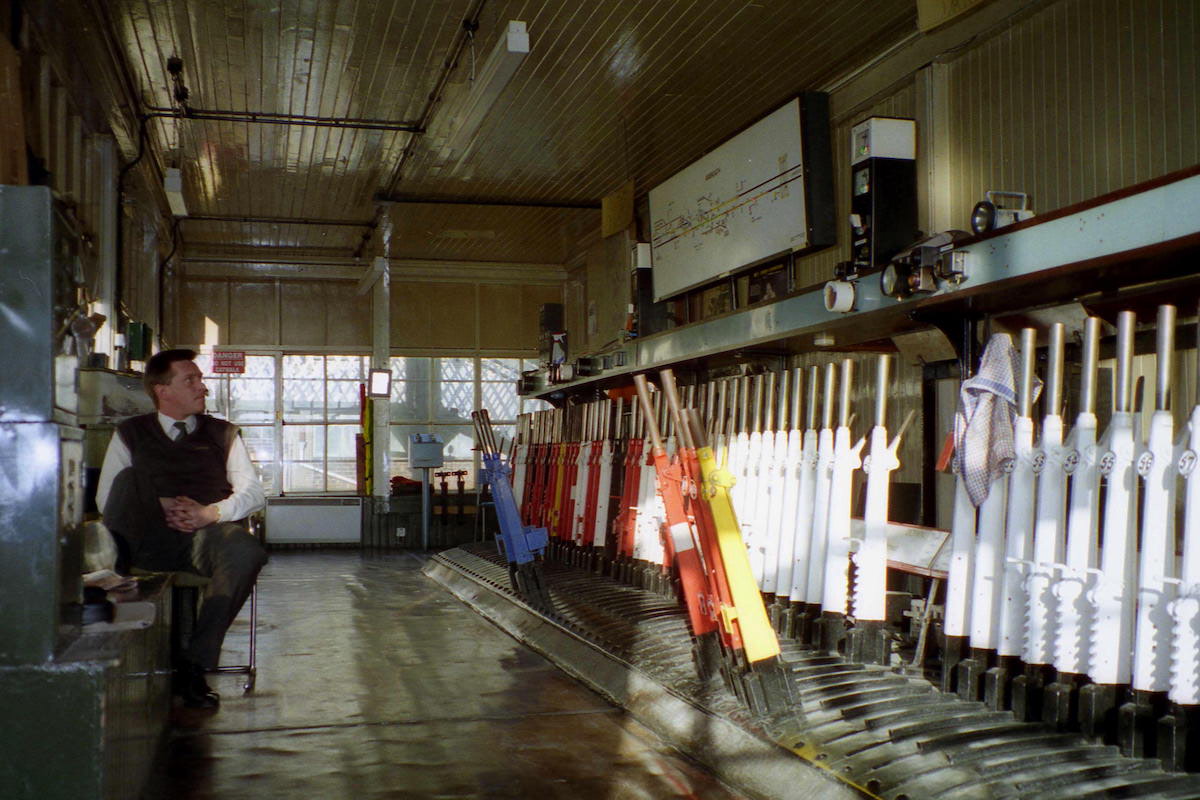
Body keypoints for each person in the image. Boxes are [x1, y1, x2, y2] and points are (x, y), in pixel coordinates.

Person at [96, 348, 267, 709]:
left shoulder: (222, 434)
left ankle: (195, 664)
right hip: (145, 539)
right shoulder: (130, 433)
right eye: (190, 380)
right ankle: (115, 639)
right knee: (129, 479)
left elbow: (253, 492)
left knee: (246, 549)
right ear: (163, 390)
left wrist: (210, 513)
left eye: (200, 379)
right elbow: (108, 498)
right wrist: (163, 505)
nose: (202, 387)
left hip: (206, 536)